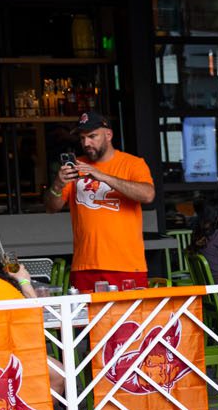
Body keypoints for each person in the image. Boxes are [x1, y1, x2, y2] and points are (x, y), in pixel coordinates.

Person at [45, 111, 156, 293]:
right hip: (84, 265)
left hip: (127, 265)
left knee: (127, 313)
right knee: (86, 314)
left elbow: (148, 195)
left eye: (92, 136)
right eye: (82, 138)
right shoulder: (76, 166)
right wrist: (58, 184)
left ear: (108, 135)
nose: (86, 143)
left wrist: (102, 176)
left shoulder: (133, 164)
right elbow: (51, 208)